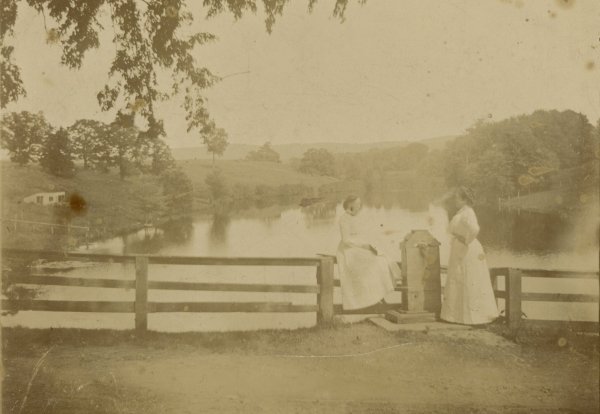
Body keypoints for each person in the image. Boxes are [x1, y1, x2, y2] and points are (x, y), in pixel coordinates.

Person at [440, 187, 499, 325]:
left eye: (457, 198)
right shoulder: (462, 212)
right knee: (459, 278)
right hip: (461, 250)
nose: (455, 201)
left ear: (464, 199)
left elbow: (474, 229)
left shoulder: (468, 212)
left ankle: (475, 316)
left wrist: (465, 239)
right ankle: (457, 316)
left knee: (468, 278)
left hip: (467, 250)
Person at [336, 195, 400, 310]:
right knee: (374, 263)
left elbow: (361, 234)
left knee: (381, 258)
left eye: (360, 204)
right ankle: (374, 298)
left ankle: (380, 295)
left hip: (358, 248)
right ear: (351, 206)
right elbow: (346, 240)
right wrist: (363, 245)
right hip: (349, 250)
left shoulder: (355, 218)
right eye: (358, 204)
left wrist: (369, 244)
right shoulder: (344, 219)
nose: (360, 207)